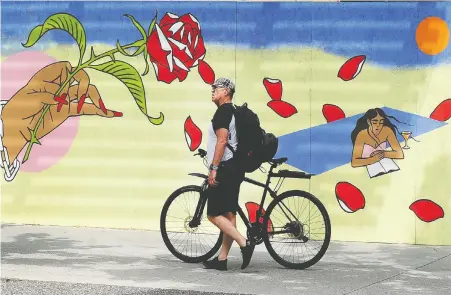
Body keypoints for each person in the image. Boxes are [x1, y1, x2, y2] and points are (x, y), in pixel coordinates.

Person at [201, 77, 255, 271]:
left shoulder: (222, 112)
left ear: (227, 92)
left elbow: (222, 141)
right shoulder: (233, 111)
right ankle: (222, 259)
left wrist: (213, 168)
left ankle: (244, 243)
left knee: (213, 215)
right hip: (235, 167)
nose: (212, 90)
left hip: (225, 168)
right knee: (229, 213)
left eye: (217, 87)